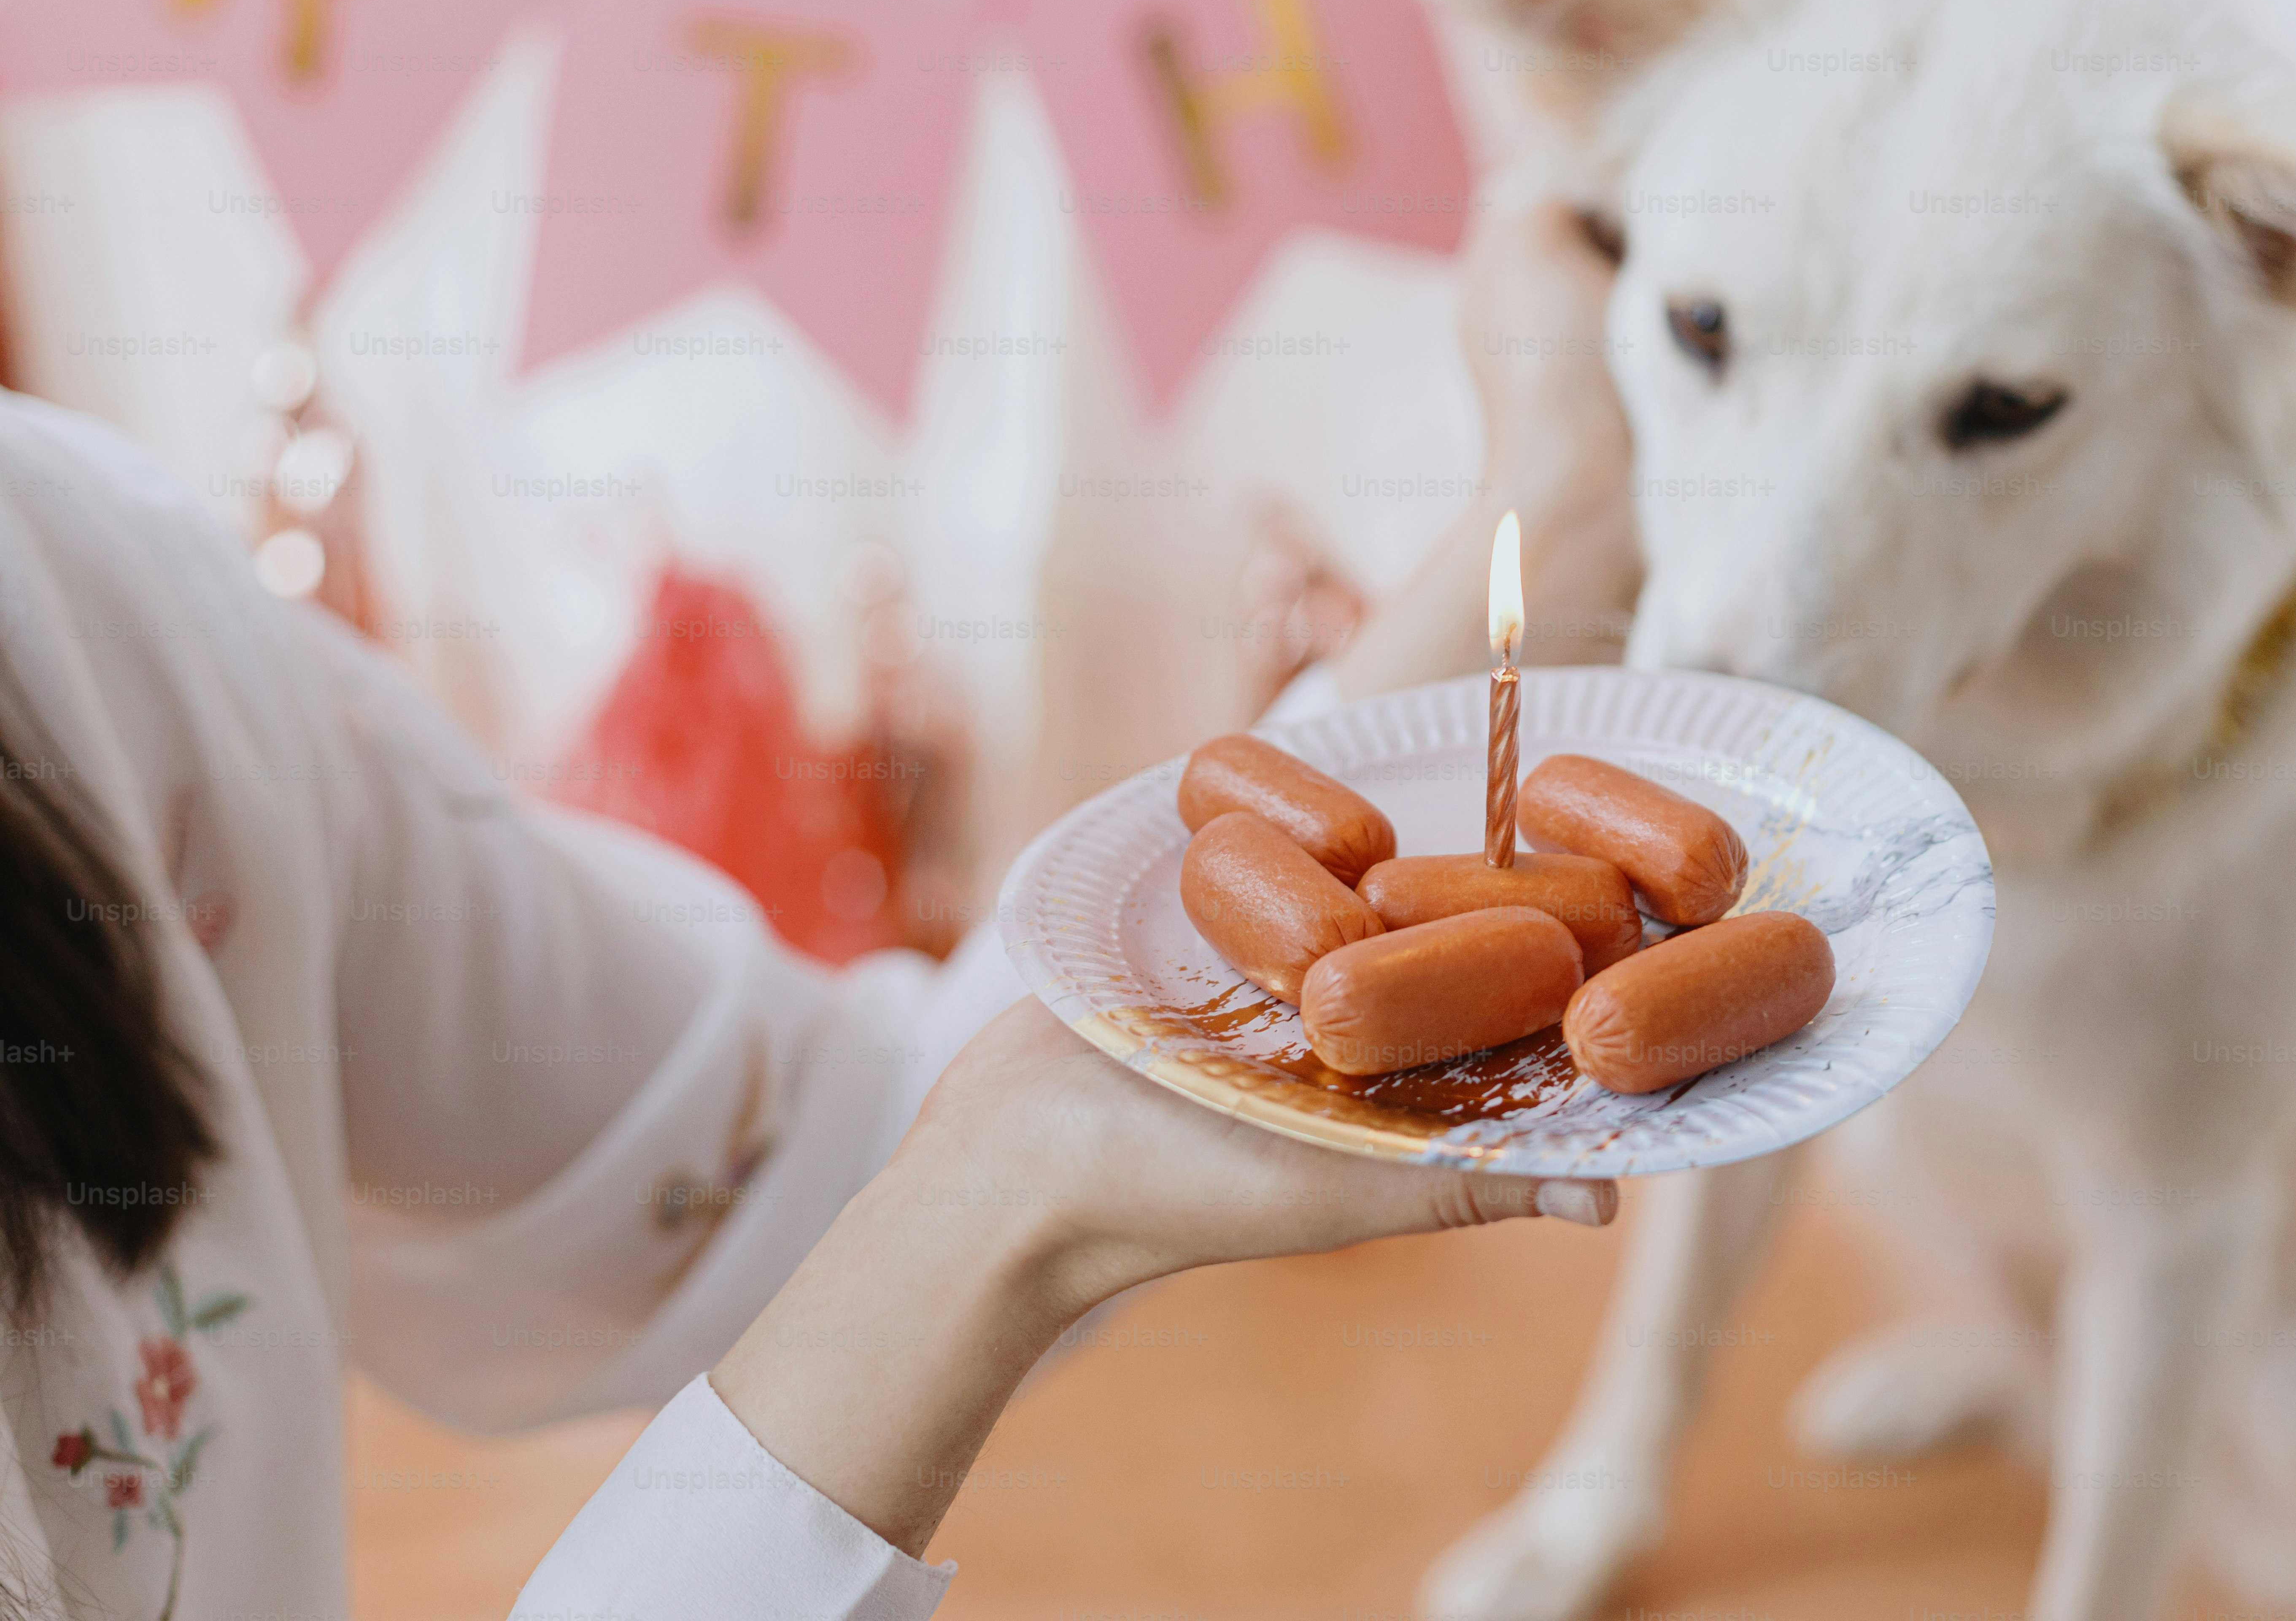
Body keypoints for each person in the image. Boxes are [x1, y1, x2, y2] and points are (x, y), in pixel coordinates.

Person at [0, 196, 1638, 1618]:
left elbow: (817, 1151)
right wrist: (987, 1215)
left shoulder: (78, 594)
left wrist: (1547, 540)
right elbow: (937, 1187)